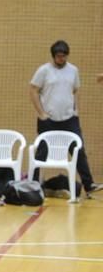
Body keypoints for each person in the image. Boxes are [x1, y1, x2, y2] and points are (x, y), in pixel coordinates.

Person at [29, 40, 101, 196]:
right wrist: (41, 113)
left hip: (69, 119)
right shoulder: (44, 71)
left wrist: (77, 110)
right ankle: (34, 185)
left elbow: (76, 90)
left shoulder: (73, 70)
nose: (62, 59)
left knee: (78, 150)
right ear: (53, 56)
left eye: (64, 56)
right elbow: (33, 90)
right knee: (42, 152)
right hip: (48, 120)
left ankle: (89, 185)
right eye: (59, 56)